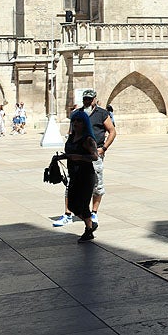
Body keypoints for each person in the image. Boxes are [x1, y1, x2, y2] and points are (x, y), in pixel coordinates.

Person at [53, 109, 100, 243]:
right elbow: (69, 153)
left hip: (86, 175)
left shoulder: (88, 139)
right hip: (74, 174)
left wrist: (78, 157)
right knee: (73, 205)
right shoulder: (72, 138)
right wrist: (60, 157)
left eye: (79, 121)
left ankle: (88, 229)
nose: (75, 123)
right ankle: (90, 222)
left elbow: (95, 156)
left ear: (84, 123)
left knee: (83, 204)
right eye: (74, 120)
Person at [76, 90, 116, 225]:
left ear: (94, 99)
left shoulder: (102, 113)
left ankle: (94, 212)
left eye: (89, 99)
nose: (87, 101)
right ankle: (79, 211)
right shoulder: (79, 113)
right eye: (85, 99)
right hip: (80, 154)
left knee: (97, 183)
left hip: (95, 153)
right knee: (77, 183)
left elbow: (112, 131)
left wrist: (104, 148)